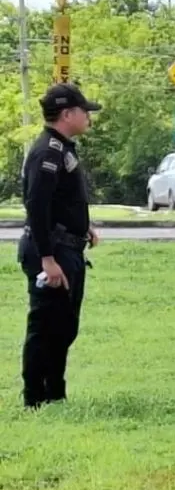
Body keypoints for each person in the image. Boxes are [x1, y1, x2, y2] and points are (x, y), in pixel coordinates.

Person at [18, 83, 102, 409]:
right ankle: (35, 399)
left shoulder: (64, 147)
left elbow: (61, 201)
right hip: (51, 251)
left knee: (63, 326)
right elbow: (37, 206)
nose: (89, 117)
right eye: (85, 111)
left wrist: (84, 228)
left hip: (68, 247)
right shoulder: (48, 152)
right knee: (45, 327)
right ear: (68, 114)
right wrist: (47, 259)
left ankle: (55, 394)